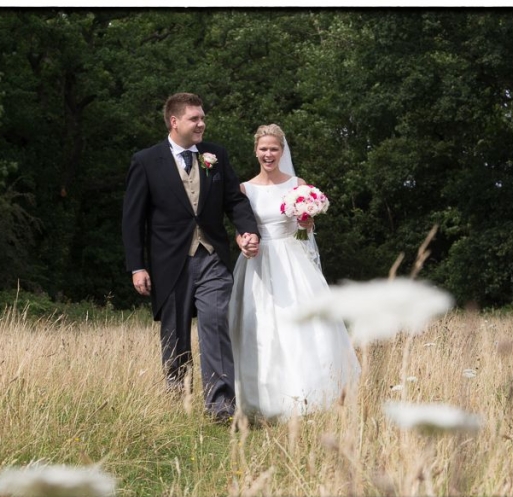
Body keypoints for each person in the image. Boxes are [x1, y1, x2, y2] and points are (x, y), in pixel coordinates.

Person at [122, 93, 260, 423]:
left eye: (202, 118)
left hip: (211, 255)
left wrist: (246, 229)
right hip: (169, 261)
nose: (201, 123)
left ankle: (221, 407)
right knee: (176, 333)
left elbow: (235, 201)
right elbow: (132, 218)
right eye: (194, 119)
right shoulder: (146, 161)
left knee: (216, 321)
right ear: (174, 122)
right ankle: (177, 403)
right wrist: (137, 265)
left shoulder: (216, 155)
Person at [228, 124, 361, 423]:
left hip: (293, 260)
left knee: (300, 326)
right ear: (256, 151)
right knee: (258, 326)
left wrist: (306, 223)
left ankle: (309, 395)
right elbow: (241, 228)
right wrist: (243, 241)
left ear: (282, 151)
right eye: (263, 149)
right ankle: (259, 399)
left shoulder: (297, 185)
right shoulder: (245, 189)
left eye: (274, 148)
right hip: (258, 262)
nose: (268, 154)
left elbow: (307, 230)